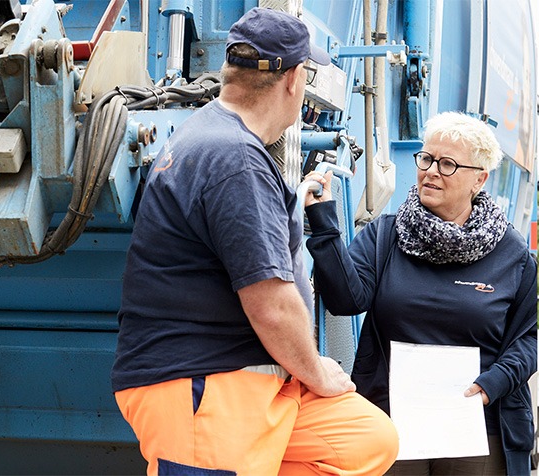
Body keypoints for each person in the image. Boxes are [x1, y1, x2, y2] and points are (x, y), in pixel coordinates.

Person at [111, 7, 399, 475]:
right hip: (204, 382)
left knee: (366, 441)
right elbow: (271, 305)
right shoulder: (234, 158)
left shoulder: (208, 137)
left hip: (246, 379)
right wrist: (317, 371)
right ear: (294, 80)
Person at [304, 111, 537, 475]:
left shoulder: (513, 254)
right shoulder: (386, 236)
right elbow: (345, 299)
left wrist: (496, 382)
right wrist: (324, 223)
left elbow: (529, 338)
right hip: (393, 422)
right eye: (426, 159)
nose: (431, 171)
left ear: (479, 179)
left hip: (477, 425)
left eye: (447, 164)